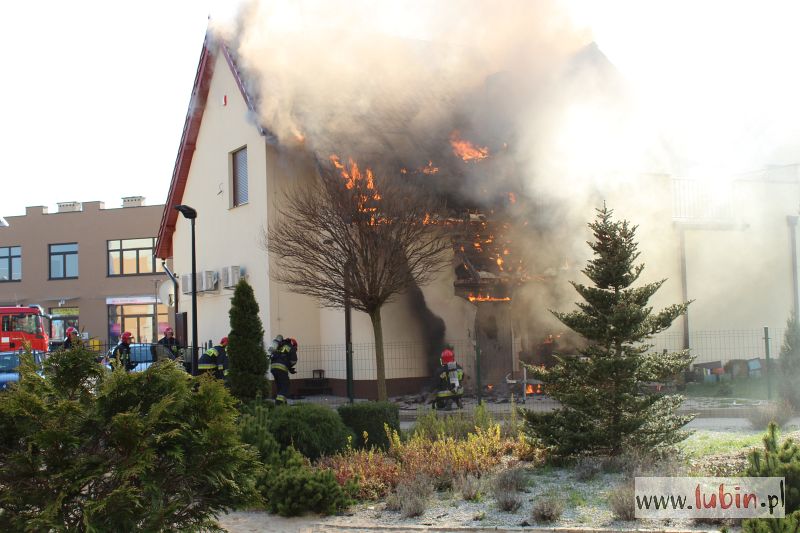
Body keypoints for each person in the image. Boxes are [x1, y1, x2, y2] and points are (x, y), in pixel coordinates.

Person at [432, 343, 464, 410]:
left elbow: (436, 383)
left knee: (437, 391)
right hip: (459, 391)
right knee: (453, 388)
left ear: (443, 359)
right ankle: (457, 400)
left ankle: (447, 401)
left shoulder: (441, 370)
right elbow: (462, 378)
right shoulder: (459, 367)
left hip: (446, 393)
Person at [269, 334, 297, 405]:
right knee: (285, 386)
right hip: (281, 368)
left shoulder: (280, 345)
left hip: (273, 367)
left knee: (280, 386)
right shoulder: (291, 347)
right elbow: (293, 360)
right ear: (294, 345)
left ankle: (283, 405)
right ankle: (278, 403)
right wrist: (290, 368)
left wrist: (289, 368)